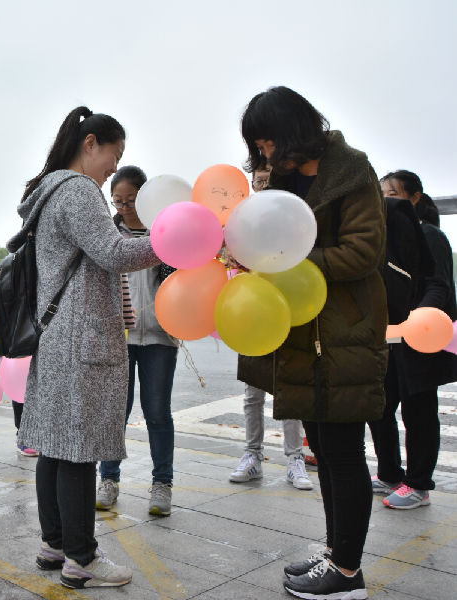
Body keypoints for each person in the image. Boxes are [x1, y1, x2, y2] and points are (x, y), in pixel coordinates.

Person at [239, 86, 386, 599]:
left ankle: (348, 573)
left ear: (293, 128)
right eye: (259, 145)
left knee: (344, 451)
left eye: (269, 140)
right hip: (300, 332)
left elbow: (363, 251)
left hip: (343, 330)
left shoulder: (351, 170)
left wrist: (290, 260)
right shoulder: (279, 180)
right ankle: (336, 553)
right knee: (323, 446)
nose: (266, 153)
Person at [13, 106, 161, 589]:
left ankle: (53, 545)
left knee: (55, 445)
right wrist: (170, 240)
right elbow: (115, 251)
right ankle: (82, 559)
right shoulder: (77, 191)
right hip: (81, 336)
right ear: (91, 143)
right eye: (113, 158)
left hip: (59, 336)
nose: (113, 169)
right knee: (78, 449)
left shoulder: (48, 190)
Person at [368, 170, 457, 509]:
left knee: (418, 411)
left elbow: (439, 285)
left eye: (392, 193)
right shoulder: (386, 238)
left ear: (414, 197)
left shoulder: (429, 235)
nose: (385, 200)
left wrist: (418, 318)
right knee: (380, 406)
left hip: (420, 338)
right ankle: (390, 473)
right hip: (389, 337)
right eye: (382, 194)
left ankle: (419, 484)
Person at [94, 165, 179, 515]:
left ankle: (162, 485)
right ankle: (109, 479)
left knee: (157, 412)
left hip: (162, 335)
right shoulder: (107, 235)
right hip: (120, 336)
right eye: (118, 201)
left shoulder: (169, 233)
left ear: (146, 198)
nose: (124, 208)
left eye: (130, 200)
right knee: (116, 410)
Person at [230, 167, 313, 491]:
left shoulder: (292, 215)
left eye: (268, 179)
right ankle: (252, 456)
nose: (263, 184)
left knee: (287, 388)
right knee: (252, 393)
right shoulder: (242, 220)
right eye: (258, 181)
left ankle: (295, 457)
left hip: (287, 310)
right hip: (251, 311)